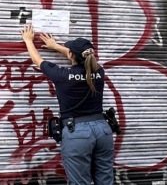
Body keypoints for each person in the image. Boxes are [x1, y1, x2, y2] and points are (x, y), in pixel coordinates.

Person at [20, 24, 114, 185]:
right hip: (103, 131)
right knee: (105, 180)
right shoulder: (99, 72)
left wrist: (28, 40)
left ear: (71, 55)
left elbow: (37, 60)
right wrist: (57, 46)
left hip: (78, 133)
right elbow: (83, 58)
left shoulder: (63, 75)